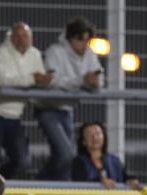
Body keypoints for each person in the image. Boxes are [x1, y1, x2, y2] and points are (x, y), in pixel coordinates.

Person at [0, 22, 50, 179]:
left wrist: (45, 80)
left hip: (14, 116)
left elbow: (40, 79)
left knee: (23, 160)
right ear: (11, 38)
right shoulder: (0, 53)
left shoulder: (35, 54)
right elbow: (4, 80)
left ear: (31, 38)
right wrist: (33, 79)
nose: (22, 39)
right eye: (18, 36)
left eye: (26, 36)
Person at [36, 17, 103, 181]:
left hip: (67, 110)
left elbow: (98, 76)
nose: (84, 44)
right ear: (70, 38)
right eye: (80, 39)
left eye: (88, 40)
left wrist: (95, 83)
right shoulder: (55, 52)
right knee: (66, 154)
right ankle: (39, 185)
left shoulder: (90, 54)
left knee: (67, 157)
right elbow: (53, 81)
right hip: (48, 109)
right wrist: (82, 81)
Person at [71, 122, 140, 190]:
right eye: (90, 135)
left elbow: (124, 177)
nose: (95, 138)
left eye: (98, 134)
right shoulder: (78, 162)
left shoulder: (114, 160)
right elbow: (81, 182)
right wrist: (100, 182)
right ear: (83, 141)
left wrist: (132, 180)